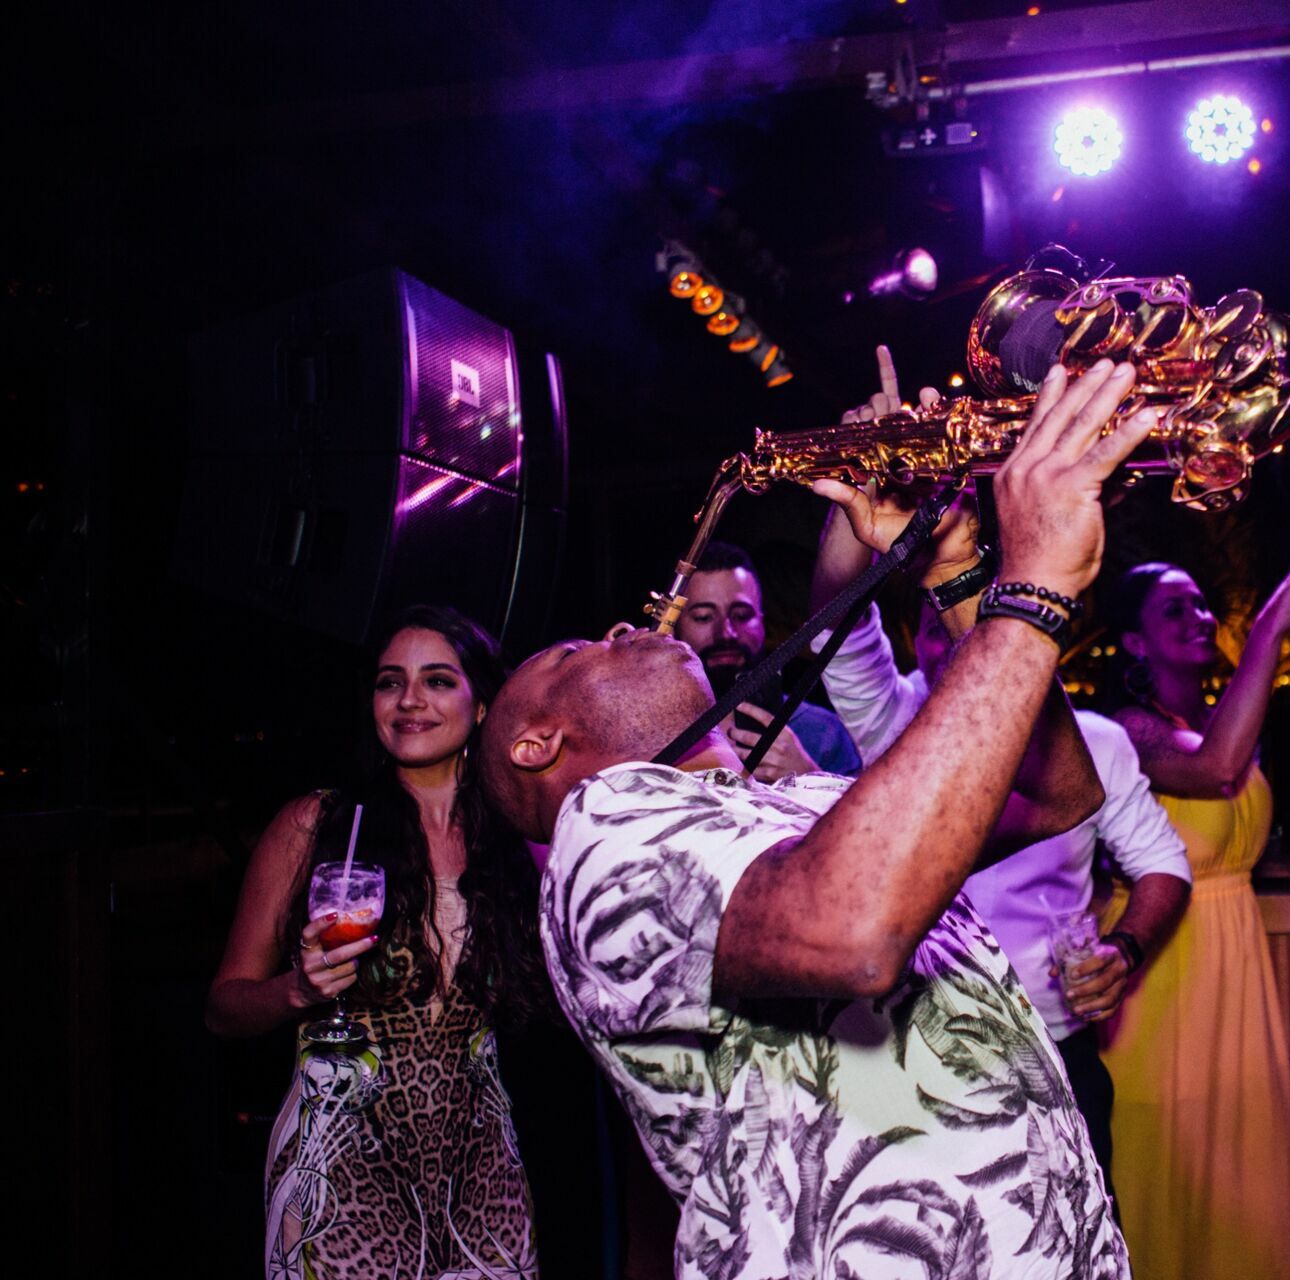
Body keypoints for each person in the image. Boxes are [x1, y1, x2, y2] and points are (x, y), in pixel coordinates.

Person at [477, 360, 1153, 1276]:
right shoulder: (600, 842)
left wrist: (955, 568)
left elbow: (1054, 795)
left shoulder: (793, 802)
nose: (630, 627)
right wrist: (1028, 589)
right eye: (581, 649)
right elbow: (854, 933)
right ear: (536, 744)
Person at [805, 347, 1193, 1193]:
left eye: (977, 616)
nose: (966, 638)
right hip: (909, 1054)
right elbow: (833, 611)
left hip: (1049, 1051)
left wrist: (1125, 951)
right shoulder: (894, 713)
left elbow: (1162, 864)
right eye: (947, 620)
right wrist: (856, 488)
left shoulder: (1095, 740)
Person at [206, 605, 544, 1279]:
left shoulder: (516, 838)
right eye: (390, 682)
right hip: (342, 1172)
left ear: (482, 706)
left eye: (438, 681)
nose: (410, 700)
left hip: (479, 1168)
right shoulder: (318, 826)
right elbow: (224, 1008)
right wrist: (294, 990)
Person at [1098, 555, 1290, 1280]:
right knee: (1170, 1179)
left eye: (1203, 605)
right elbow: (1216, 771)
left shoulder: (1215, 717)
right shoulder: (1128, 731)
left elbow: (1226, 756)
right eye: (1174, 609)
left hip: (1237, 970)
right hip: (1160, 978)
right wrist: (1270, 627)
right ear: (1134, 643)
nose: (1199, 618)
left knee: (1253, 1179)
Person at [671, 539, 863, 780]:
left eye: (742, 614)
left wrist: (809, 777)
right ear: (675, 628)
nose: (727, 632)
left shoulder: (823, 732)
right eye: (704, 617)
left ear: (762, 622)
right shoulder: (657, 730)